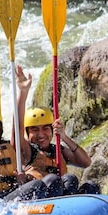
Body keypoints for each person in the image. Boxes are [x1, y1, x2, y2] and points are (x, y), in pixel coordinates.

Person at [12, 65, 99, 196]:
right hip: (36, 202)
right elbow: (16, 130)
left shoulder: (58, 150)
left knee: (84, 184)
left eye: (45, 128)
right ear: (27, 133)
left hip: (60, 204)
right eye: (35, 130)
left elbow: (85, 162)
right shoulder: (26, 151)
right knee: (53, 180)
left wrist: (63, 137)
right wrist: (23, 92)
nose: (41, 134)